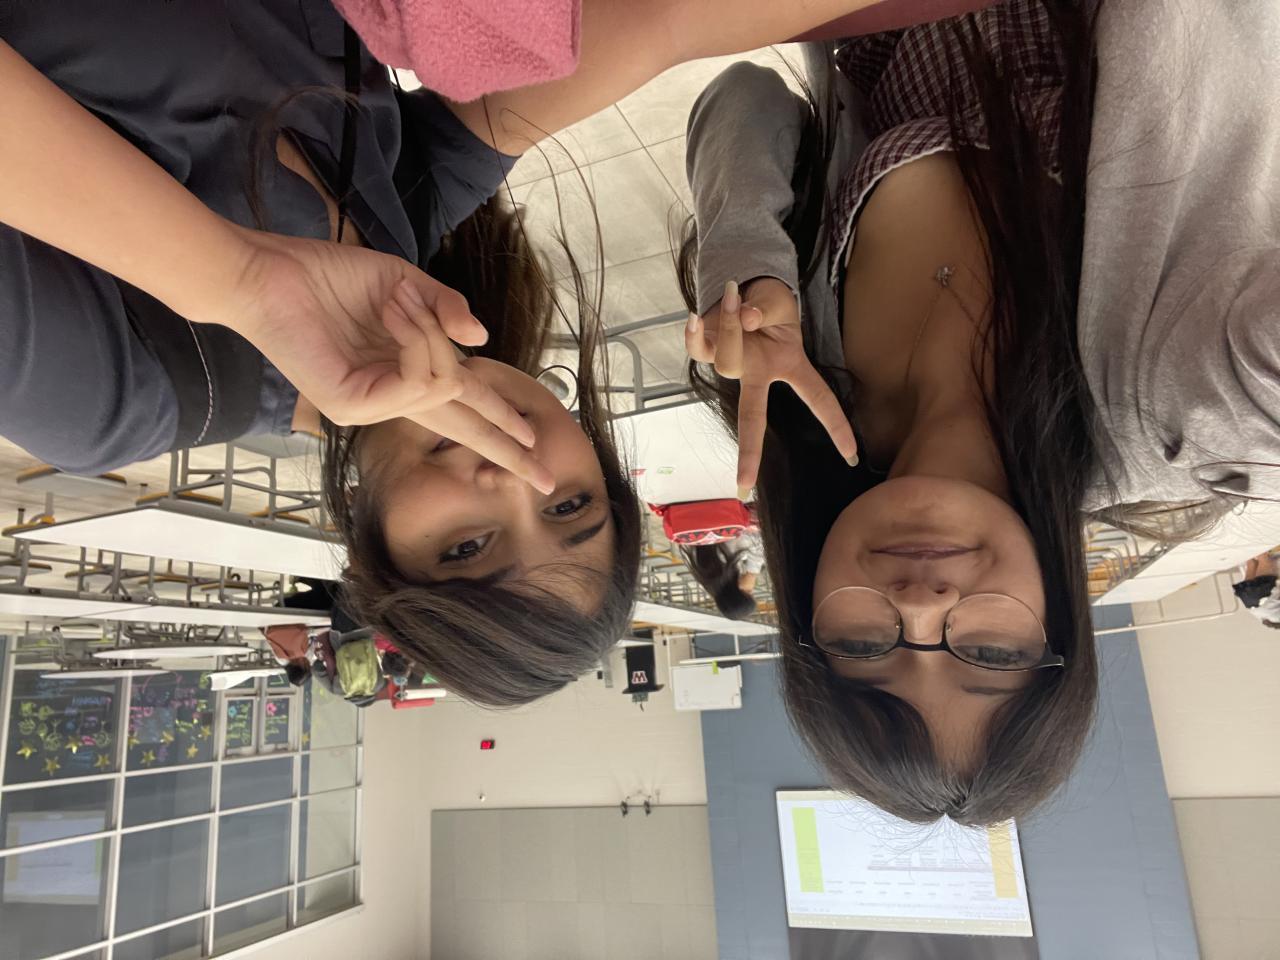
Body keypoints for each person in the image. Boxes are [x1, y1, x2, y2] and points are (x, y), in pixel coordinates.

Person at [0, 0, 892, 707]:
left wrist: (237, 279)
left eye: (466, 547)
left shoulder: (119, 393)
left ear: (372, 545)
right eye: (571, 503)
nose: (511, 481)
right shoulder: (406, 225)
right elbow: (664, 24)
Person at [678, 0, 1280, 824]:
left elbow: (744, 97)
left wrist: (748, 267)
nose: (921, 603)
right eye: (990, 653)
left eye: (865, 645)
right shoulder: (1163, 417)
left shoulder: (805, 386)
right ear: (1058, 625)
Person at [680, 531, 766, 621]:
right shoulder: (706, 576)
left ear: (737, 593)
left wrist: (752, 573)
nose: (751, 589)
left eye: (749, 592)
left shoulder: (726, 558)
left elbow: (758, 538)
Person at [1235, 551, 1280, 630]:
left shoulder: (1277, 618)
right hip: (1249, 600)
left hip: (1262, 595)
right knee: (1251, 563)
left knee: (1263, 557)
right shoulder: (1269, 621)